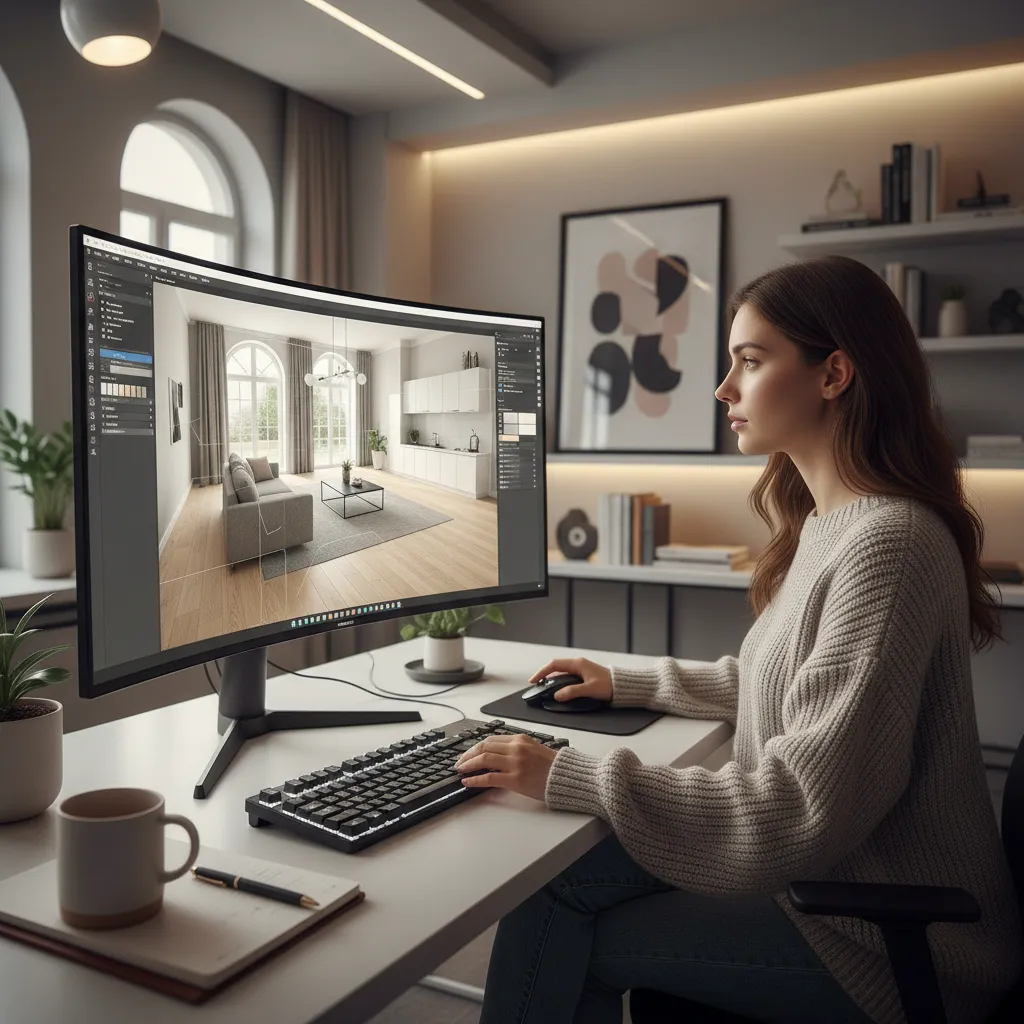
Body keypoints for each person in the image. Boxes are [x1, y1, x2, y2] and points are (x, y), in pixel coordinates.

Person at [453, 254, 1023, 1024]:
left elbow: (795, 809)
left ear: (834, 374)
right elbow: (783, 680)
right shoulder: (833, 524)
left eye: (750, 362)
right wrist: (631, 682)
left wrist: (570, 771)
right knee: (556, 882)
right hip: (828, 887)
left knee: (569, 925)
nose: (725, 389)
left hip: (878, 938)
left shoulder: (890, 545)